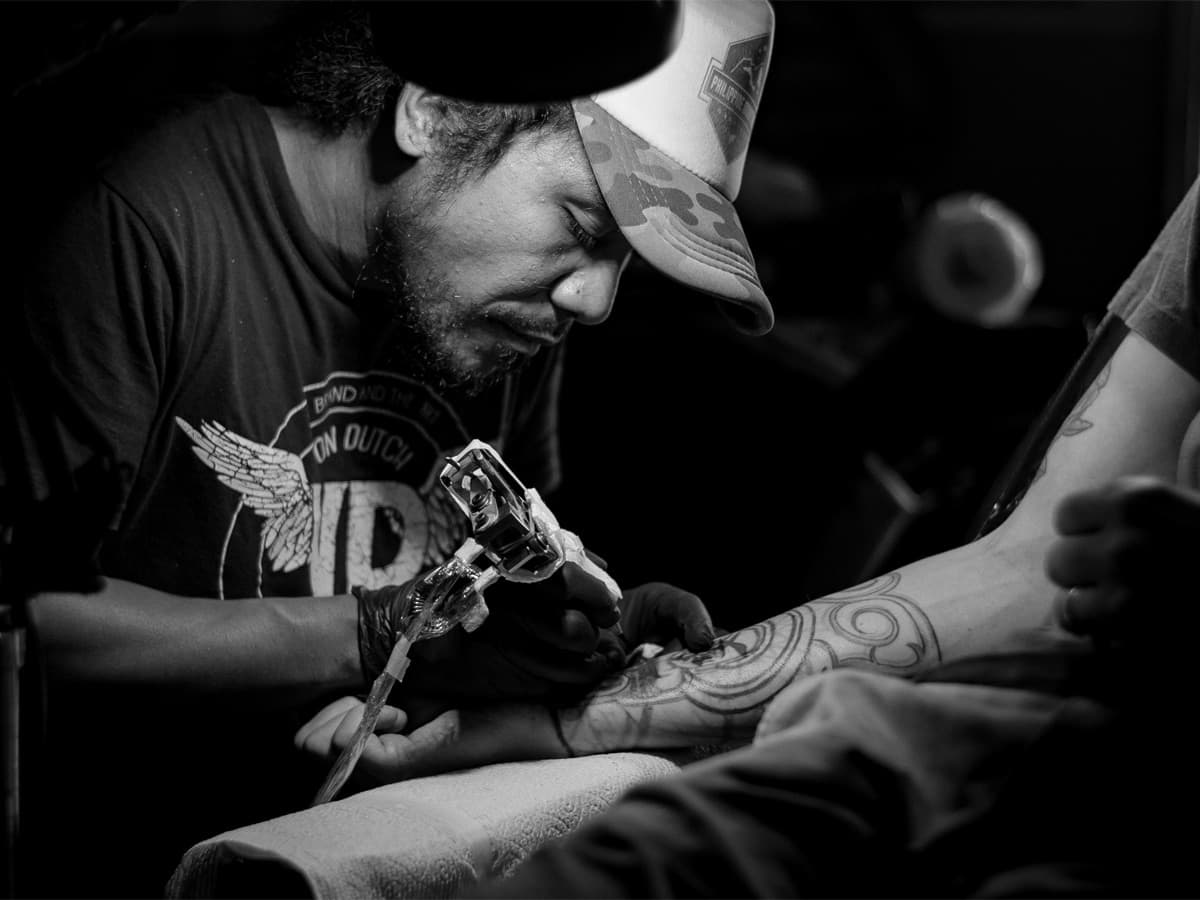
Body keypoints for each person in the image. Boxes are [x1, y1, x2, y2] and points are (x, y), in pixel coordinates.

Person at [0, 0, 781, 895]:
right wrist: (380, 634)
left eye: (627, 258)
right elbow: (29, 626)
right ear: (437, 111)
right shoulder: (141, 223)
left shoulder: (497, 300)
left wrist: (573, 627)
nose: (593, 302)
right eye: (579, 225)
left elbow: (491, 557)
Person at [297, 176, 1200, 895]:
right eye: (583, 220)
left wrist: (530, 715)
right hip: (942, 739)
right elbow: (1036, 569)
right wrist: (552, 720)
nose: (593, 300)